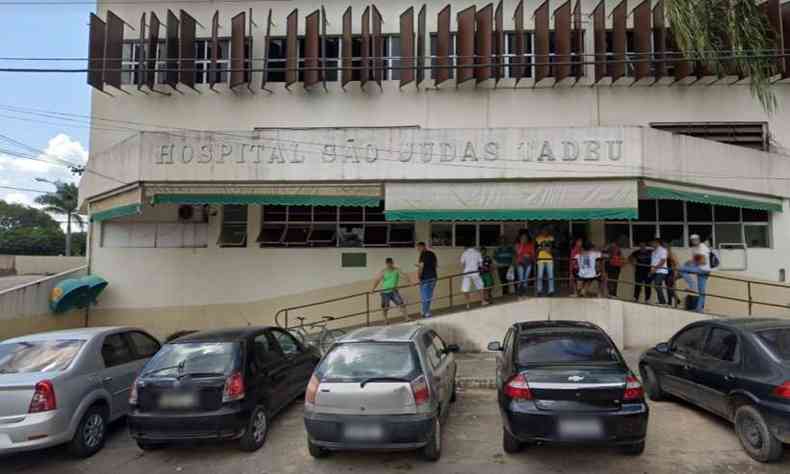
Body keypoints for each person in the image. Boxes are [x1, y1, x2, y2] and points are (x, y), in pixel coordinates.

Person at [371, 258, 412, 324]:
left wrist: (410, 282)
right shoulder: (383, 271)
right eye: (388, 264)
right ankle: (385, 319)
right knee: (385, 307)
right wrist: (372, 289)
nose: (389, 265)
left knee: (401, 303)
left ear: (392, 263)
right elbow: (377, 280)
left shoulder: (396, 270)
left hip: (394, 290)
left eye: (391, 263)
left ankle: (406, 317)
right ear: (386, 264)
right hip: (385, 292)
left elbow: (404, 275)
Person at [680, 234, 711, 313]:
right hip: (702, 270)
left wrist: (693, 263)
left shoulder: (702, 247)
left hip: (703, 269)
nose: (694, 241)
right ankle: (699, 308)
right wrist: (688, 263)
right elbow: (693, 260)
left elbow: (703, 261)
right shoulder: (694, 248)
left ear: (699, 239)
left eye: (696, 239)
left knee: (681, 269)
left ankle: (691, 285)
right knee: (702, 291)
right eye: (693, 240)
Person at [460, 245, 488, 309]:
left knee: (465, 288)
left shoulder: (464, 253)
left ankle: (467, 304)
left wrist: (466, 268)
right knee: (480, 286)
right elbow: (480, 264)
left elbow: (462, 264)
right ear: (473, 247)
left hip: (466, 272)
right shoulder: (477, 253)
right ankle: (483, 301)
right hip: (475, 272)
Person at [416, 242, 438, 318]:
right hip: (433, 277)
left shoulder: (423, 254)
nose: (418, 250)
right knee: (428, 296)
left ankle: (425, 312)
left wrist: (419, 275)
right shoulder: (432, 254)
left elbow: (421, 266)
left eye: (418, 248)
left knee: (424, 296)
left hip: (425, 278)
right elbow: (436, 265)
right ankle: (426, 312)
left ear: (422, 247)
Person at [535, 227, 555, 296]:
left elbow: (553, 249)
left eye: (546, 230)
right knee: (540, 275)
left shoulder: (551, 238)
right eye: (543, 230)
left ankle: (551, 291)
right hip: (540, 259)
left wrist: (544, 248)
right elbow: (536, 250)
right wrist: (542, 249)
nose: (544, 232)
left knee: (550, 275)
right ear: (541, 231)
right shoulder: (538, 238)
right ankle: (539, 290)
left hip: (549, 259)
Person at [648, 238, 669, 305]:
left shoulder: (663, 250)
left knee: (656, 285)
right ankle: (660, 301)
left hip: (662, 271)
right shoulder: (653, 251)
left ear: (657, 243)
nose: (651, 244)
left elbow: (662, 261)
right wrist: (651, 271)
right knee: (657, 286)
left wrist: (655, 269)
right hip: (655, 271)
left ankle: (662, 302)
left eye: (653, 242)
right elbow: (653, 262)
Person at [514, 231, 535, 298]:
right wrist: (522, 245)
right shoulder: (517, 245)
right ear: (520, 238)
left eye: (525, 237)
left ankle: (524, 294)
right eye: (522, 237)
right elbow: (518, 253)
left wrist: (529, 256)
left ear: (527, 238)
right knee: (521, 279)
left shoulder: (530, 244)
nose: (524, 239)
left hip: (528, 263)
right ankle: (519, 295)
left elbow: (533, 254)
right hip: (520, 263)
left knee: (526, 279)